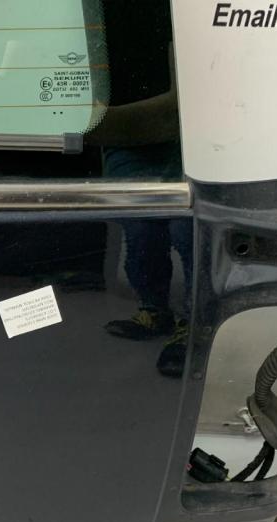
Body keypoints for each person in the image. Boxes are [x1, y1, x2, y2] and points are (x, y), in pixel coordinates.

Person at [87, 0, 191, 377]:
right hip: (127, 139)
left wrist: (86, 124)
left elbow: (175, 109)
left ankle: (195, 324)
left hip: (182, 138)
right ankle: (155, 310)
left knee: (187, 229)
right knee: (140, 229)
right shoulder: (82, 13)